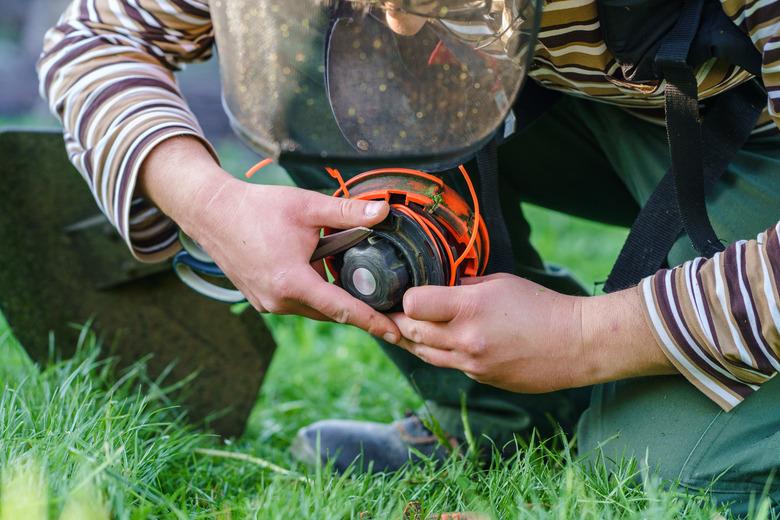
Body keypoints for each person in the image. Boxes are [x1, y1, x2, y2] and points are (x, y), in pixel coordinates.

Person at [38, 0, 780, 512]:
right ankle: (501, 413)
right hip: (584, 96)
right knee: (318, 65)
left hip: (759, 128)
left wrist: (588, 340)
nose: (391, 18)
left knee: (664, 476)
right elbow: (91, 39)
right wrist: (211, 204)